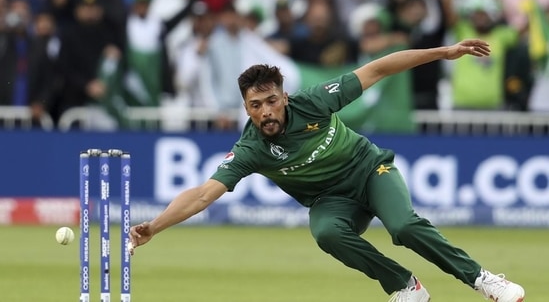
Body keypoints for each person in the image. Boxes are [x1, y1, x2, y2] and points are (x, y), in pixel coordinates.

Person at [129, 39, 526, 302]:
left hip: (370, 171)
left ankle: (483, 279)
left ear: (284, 97)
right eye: (255, 105)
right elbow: (202, 194)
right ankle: (405, 287)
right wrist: (156, 226)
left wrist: (443, 52)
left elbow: (379, 69)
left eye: (271, 101)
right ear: (245, 107)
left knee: (403, 227)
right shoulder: (251, 148)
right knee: (325, 232)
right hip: (329, 200)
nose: (265, 111)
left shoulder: (315, 101)